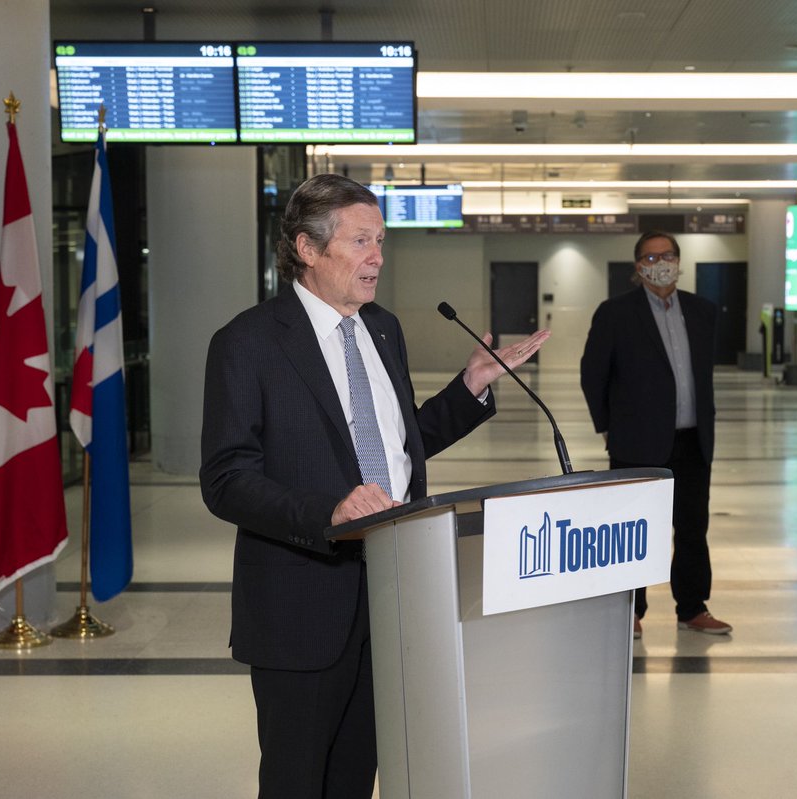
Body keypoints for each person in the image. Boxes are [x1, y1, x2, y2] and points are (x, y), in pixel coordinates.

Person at [199, 173, 548, 798]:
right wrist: (329, 510)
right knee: (295, 781)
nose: (378, 258)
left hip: (392, 595)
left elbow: (398, 446)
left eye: (380, 241)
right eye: (362, 242)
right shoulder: (247, 343)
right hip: (301, 606)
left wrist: (470, 387)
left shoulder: (382, 328)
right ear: (308, 249)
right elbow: (226, 479)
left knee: (358, 779)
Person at [580, 231, 731, 639]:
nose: (659, 263)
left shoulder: (702, 311)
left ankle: (693, 607)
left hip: (693, 439)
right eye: (650, 257)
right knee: (634, 529)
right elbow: (593, 374)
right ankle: (632, 609)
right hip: (636, 442)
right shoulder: (615, 313)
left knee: (692, 526)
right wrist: (608, 427)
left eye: (666, 255)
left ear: (679, 262)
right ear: (638, 267)